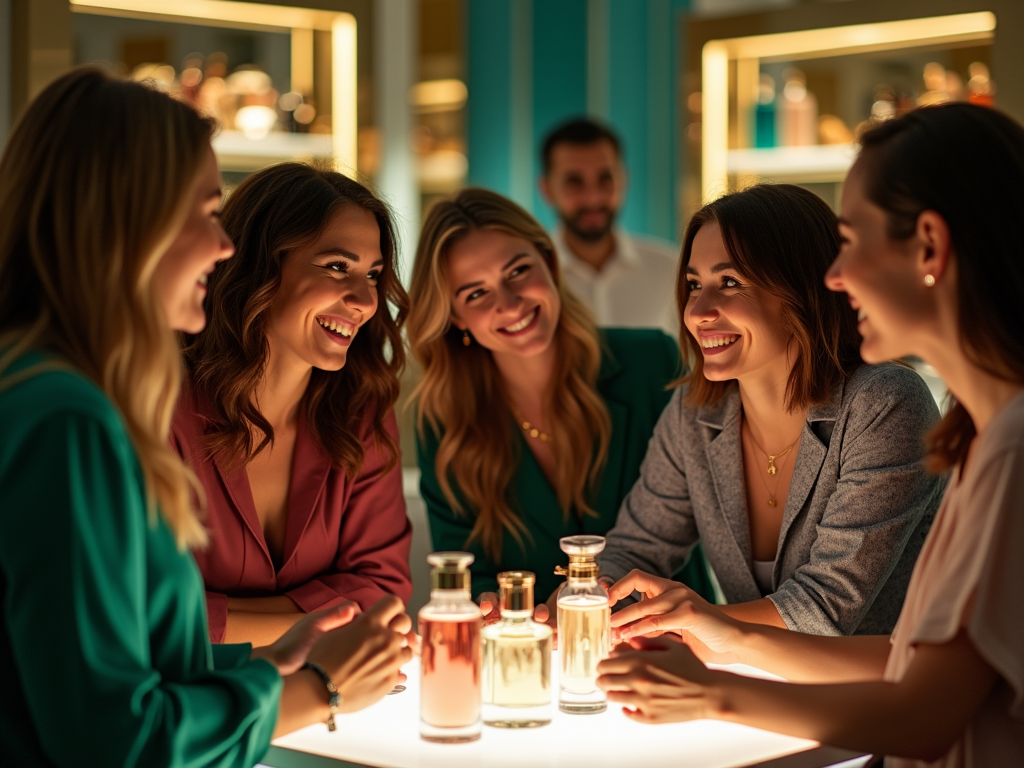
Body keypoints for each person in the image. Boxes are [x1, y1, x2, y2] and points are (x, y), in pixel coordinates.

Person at [0, 68, 411, 768]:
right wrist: (317, 687)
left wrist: (267, 662)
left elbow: (127, 663)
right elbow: (114, 740)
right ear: (122, 220)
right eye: (204, 213)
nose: (223, 248)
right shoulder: (70, 419)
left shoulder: (45, 388)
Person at [596, 103, 1024, 766]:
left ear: (932, 246)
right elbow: (901, 659)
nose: (834, 275)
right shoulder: (983, 436)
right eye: (693, 284)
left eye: (851, 242)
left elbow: (922, 714)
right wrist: (708, 637)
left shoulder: (986, 437)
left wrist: (714, 689)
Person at [600, 183, 944, 636]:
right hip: (762, 692)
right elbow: (636, 548)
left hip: (889, 698)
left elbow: (824, 610)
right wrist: (584, 599)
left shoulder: (884, 404)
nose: (698, 311)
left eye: (729, 283)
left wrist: (689, 621)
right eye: (693, 285)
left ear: (800, 288)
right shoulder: (695, 412)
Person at [407, 187, 715, 615]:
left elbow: (702, 514)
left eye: (517, 271)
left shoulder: (650, 360)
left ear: (548, 263)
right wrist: (487, 605)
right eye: (476, 293)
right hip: (535, 651)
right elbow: (465, 566)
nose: (509, 303)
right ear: (455, 315)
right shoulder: (442, 420)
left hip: (671, 639)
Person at [173, 162, 412, 647]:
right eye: (337, 267)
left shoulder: (361, 409)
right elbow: (141, 611)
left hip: (330, 707)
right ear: (261, 264)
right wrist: (319, 626)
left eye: (373, 275)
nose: (365, 300)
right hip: (184, 704)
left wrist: (216, 620)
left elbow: (384, 593)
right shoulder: (161, 403)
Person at [539, 117, 678, 333]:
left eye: (605, 179)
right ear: (547, 189)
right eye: (574, 182)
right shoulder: (532, 277)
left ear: (623, 180)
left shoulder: (672, 270)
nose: (593, 198)